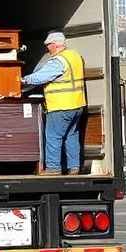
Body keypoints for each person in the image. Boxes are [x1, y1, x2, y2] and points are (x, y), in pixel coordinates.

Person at [21, 31, 87, 175]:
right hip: (77, 105)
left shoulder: (59, 61)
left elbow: (40, 77)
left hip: (61, 106)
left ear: (56, 44)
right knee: (72, 136)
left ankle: (53, 168)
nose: (47, 48)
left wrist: (21, 81)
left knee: (53, 136)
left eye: (49, 45)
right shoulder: (75, 56)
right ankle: (74, 167)